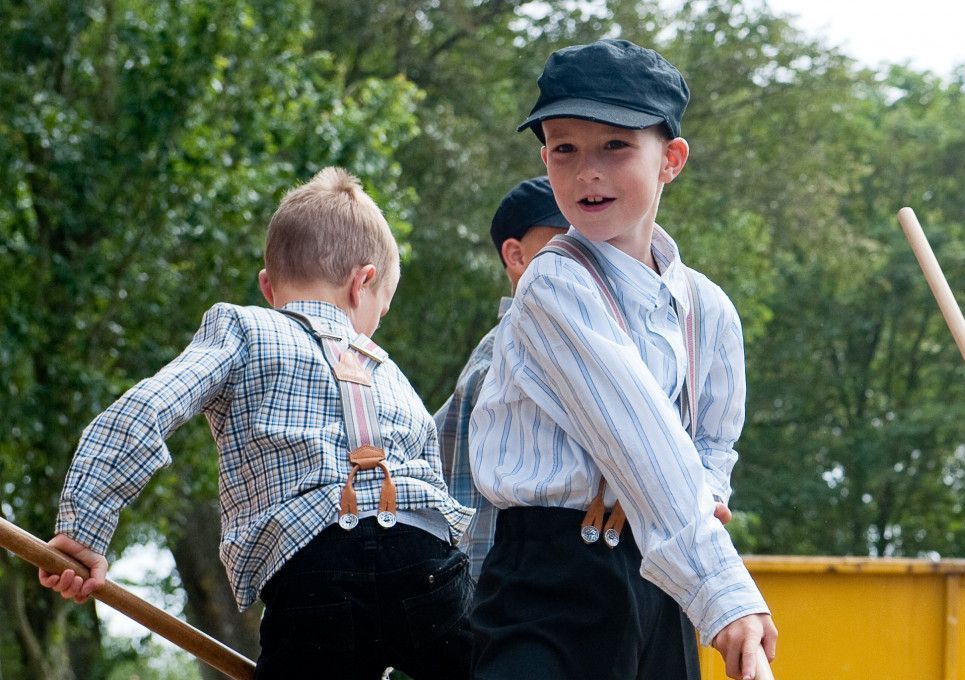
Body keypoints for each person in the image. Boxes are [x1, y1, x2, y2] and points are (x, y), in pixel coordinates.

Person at [40, 167, 472, 679]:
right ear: (364, 283)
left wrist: (83, 529)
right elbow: (433, 485)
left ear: (268, 286)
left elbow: (145, 409)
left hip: (314, 571)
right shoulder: (391, 373)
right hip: (424, 564)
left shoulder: (243, 327)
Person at [467, 39, 774, 680]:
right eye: (564, 148)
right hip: (549, 581)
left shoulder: (708, 308)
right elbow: (642, 440)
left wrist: (707, 495)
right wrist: (725, 594)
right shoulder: (554, 283)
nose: (588, 173)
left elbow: (712, 439)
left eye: (615, 146)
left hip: (655, 578)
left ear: (672, 160)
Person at [433, 175, 568, 581]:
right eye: (565, 241)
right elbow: (470, 520)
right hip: (504, 598)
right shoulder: (500, 363)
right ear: (516, 255)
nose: (586, 255)